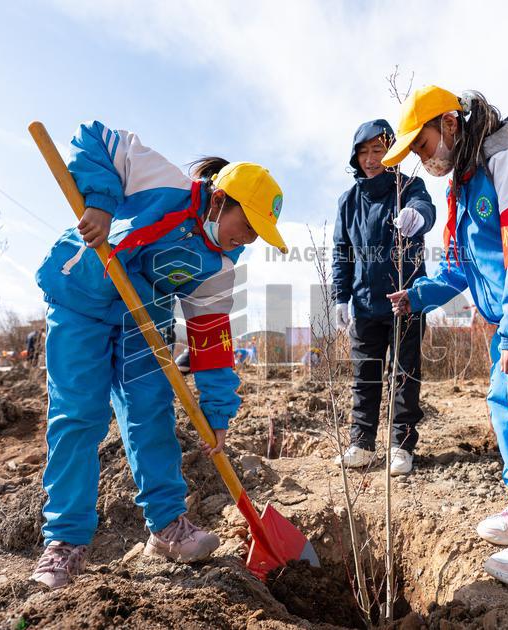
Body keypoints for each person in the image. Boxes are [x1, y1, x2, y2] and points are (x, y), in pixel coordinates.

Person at [30, 119, 287, 589]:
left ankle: (168, 526)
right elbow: (96, 140)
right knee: (79, 417)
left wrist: (217, 413)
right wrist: (102, 208)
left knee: (151, 415)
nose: (247, 239)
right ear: (220, 199)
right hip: (80, 301)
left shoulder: (220, 266)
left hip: (143, 326)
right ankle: (65, 543)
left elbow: (211, 338)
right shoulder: (168, 185)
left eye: (257, 234)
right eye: (246, 224)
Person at [384, 86, 508, 589]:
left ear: (450, 125)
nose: (421, 157)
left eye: (422, 144)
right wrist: (419, 294)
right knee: (505, 407)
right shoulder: (465, 186)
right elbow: (460, 267)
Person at [332, 119, 436, 476]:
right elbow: (341, 250)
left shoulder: (408, 187)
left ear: (392, 152)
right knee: (366, 375)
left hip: (404, 299)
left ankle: (401, 447)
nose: (371, 158)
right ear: (355, 156)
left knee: (405, 374)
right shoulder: (348, 202)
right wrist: (339, 297)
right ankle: (361, 444)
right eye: (364, 151)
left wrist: (416, 215)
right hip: (363, 304)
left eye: (379, 150)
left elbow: (427, 209)